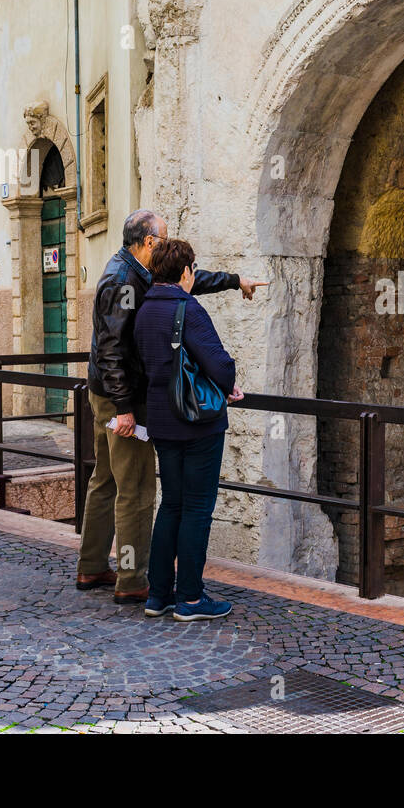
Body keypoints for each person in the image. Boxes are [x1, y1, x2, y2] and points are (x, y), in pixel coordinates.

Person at [76, 209, 266, 603]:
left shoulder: (139, 273)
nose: (167, 247)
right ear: (149, 243)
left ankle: (92, 565)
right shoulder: (124, 281)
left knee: (106, 480)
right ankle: (131, 582)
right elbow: (111, 350)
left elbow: (185, 280)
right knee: (136, 489)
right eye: (163, 240)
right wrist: (126, 408)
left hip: (106, 391)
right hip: (119, 396)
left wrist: (234, 281)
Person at [133, 238, 241, 620]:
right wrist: (230, 386)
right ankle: (192, 599)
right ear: (184, 272)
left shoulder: (144, 310)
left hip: (162, 423)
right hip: (197, 424)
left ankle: (158, 594)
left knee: (172, 506)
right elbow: (219, 364)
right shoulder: (187, 309)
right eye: (192, 269)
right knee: (197, 509)